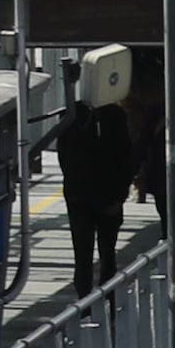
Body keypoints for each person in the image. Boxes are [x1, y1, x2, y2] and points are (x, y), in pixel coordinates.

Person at [52, 40, 137, 291]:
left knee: (85, 255)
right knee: (106, 254)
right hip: (102, 196)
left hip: (80, 196)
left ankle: (86, 304)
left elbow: (64, 156)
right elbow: (125, 158)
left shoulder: (72, 115)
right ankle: (104, 301)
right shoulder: (117, 116)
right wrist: (119, 195)